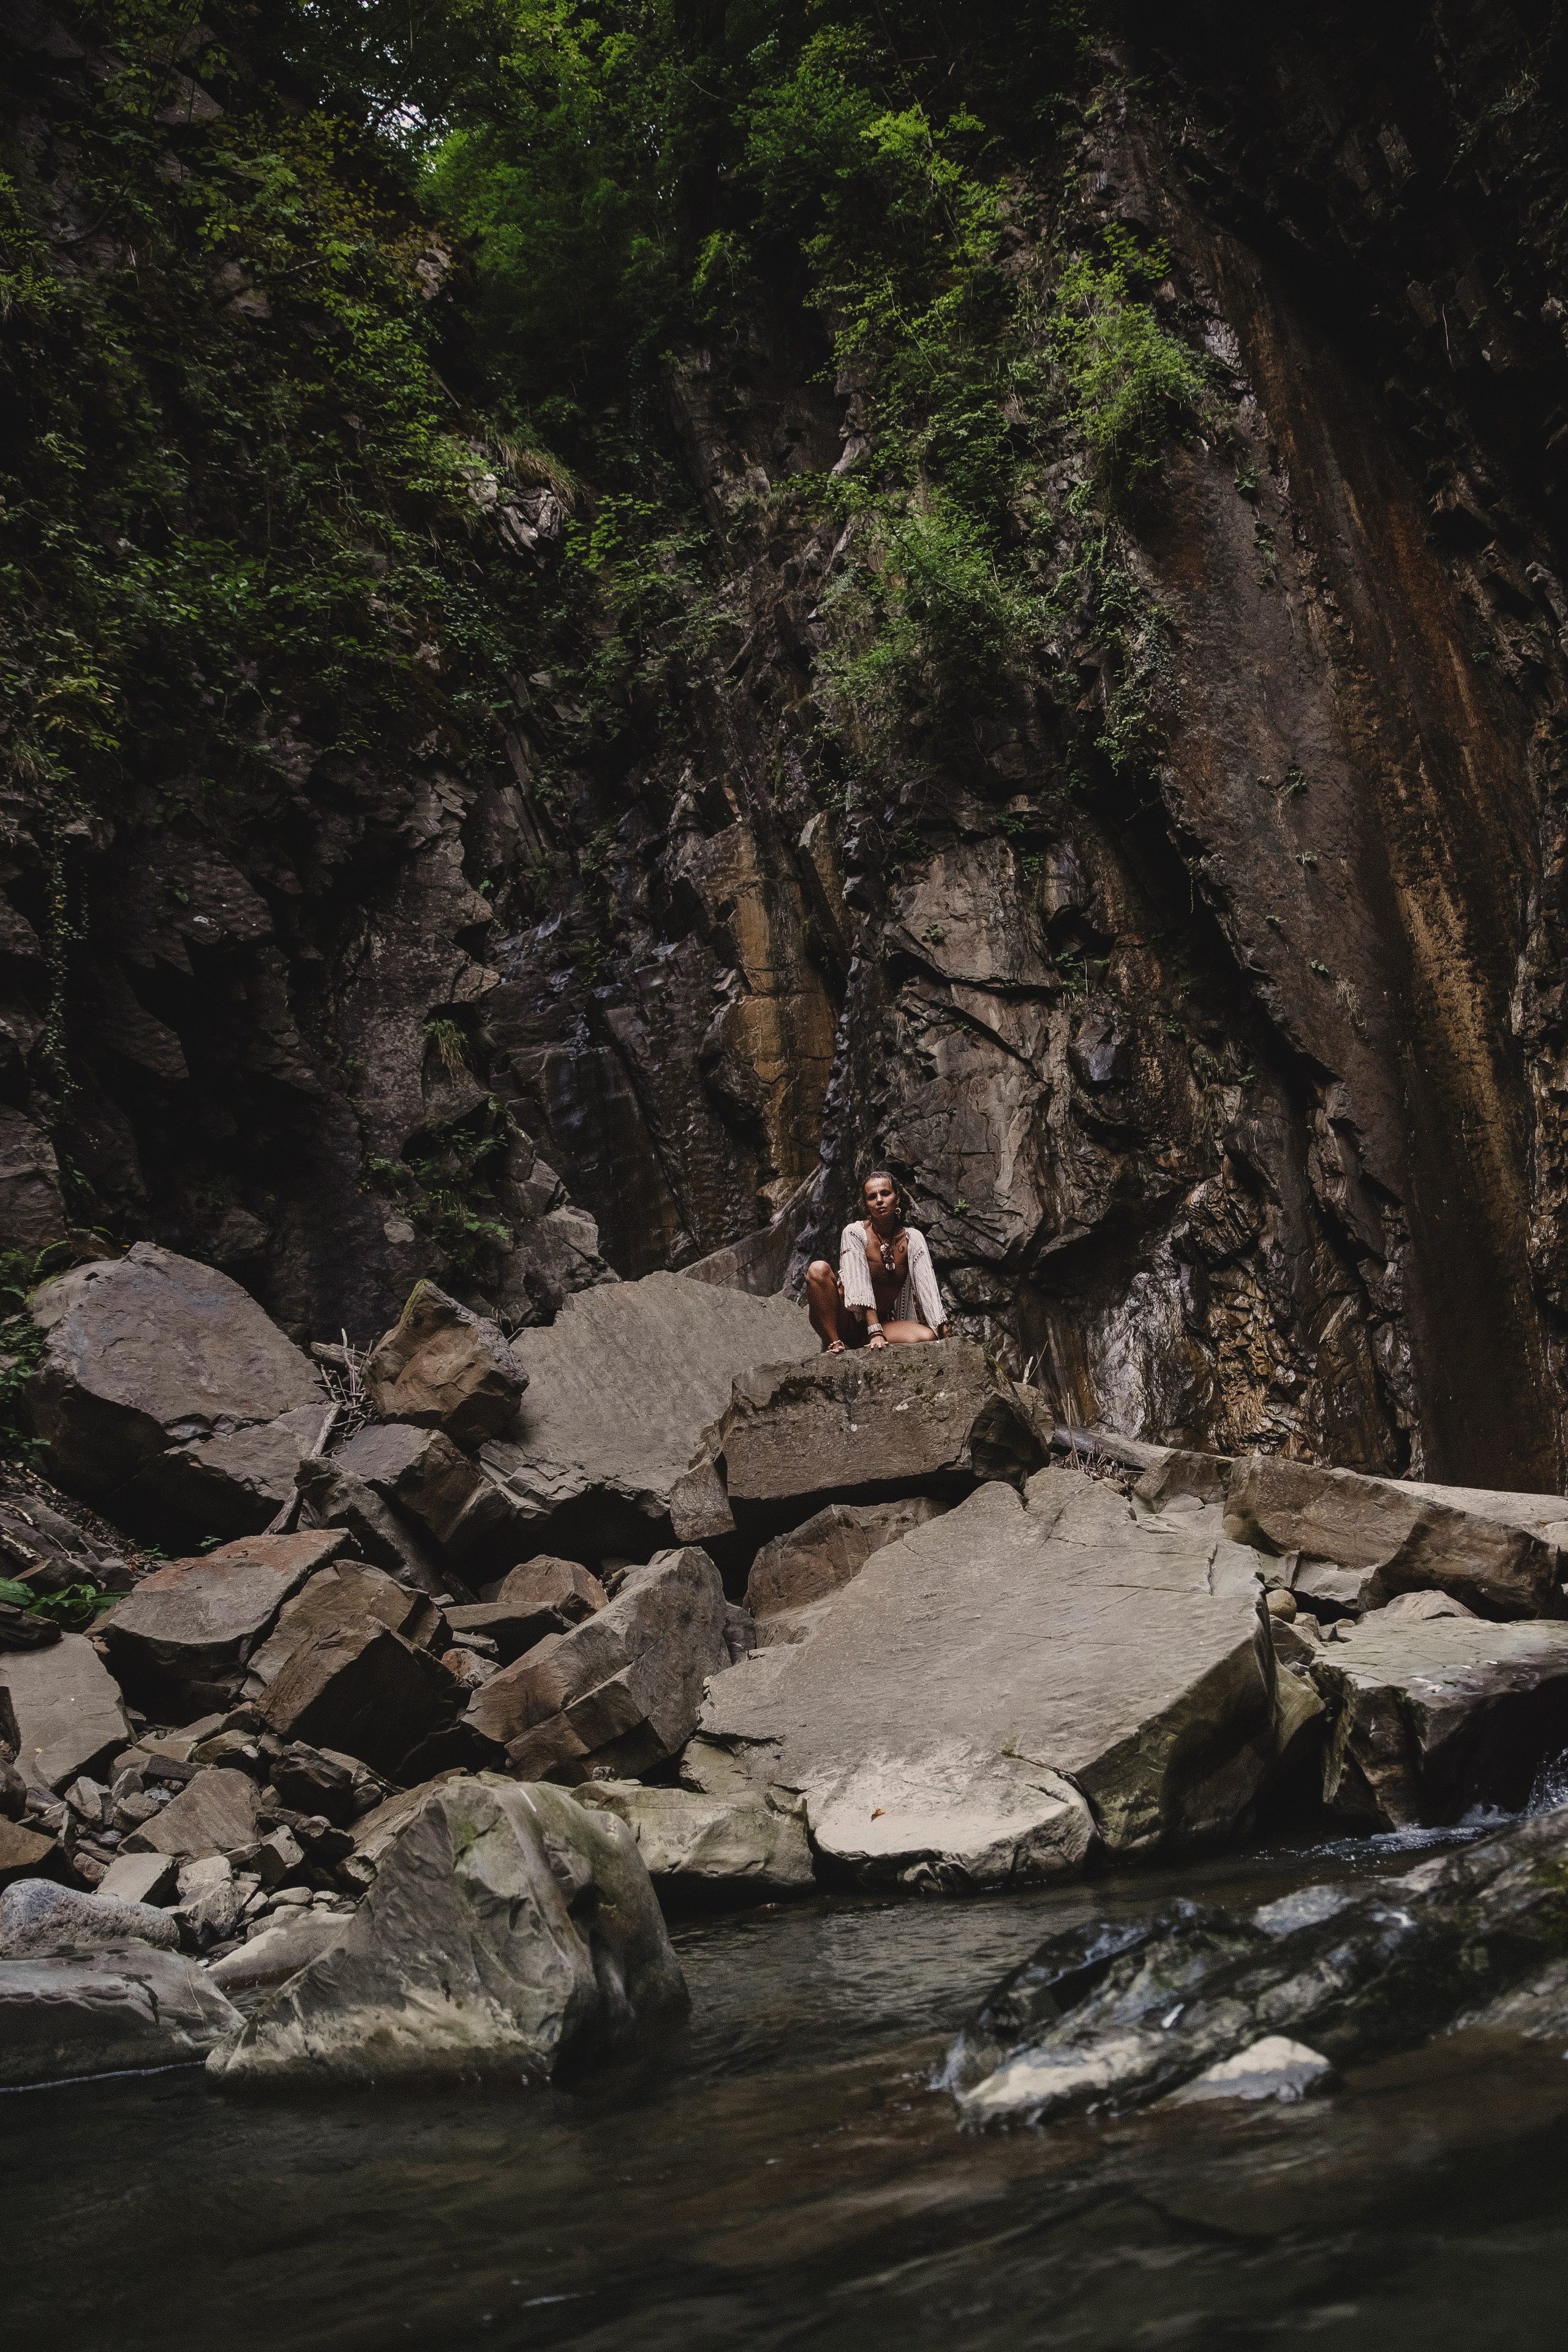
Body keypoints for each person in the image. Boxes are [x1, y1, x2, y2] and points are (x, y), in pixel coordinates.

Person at [804, 1171, 951, 1354]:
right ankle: (834, 1343)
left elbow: (928, 1287)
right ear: (866, 1204)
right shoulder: (854, 1232)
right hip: (844, 1321)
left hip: (881, 1325)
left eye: (885, 1193)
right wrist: (875, 1332)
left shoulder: (913, 1238)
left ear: (897, 1198)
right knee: (818, 1269)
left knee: (927, 1336)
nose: (879, 1200)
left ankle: (859, 1342)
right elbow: (860, 1284)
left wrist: (944, 1330)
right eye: (872, 1197)